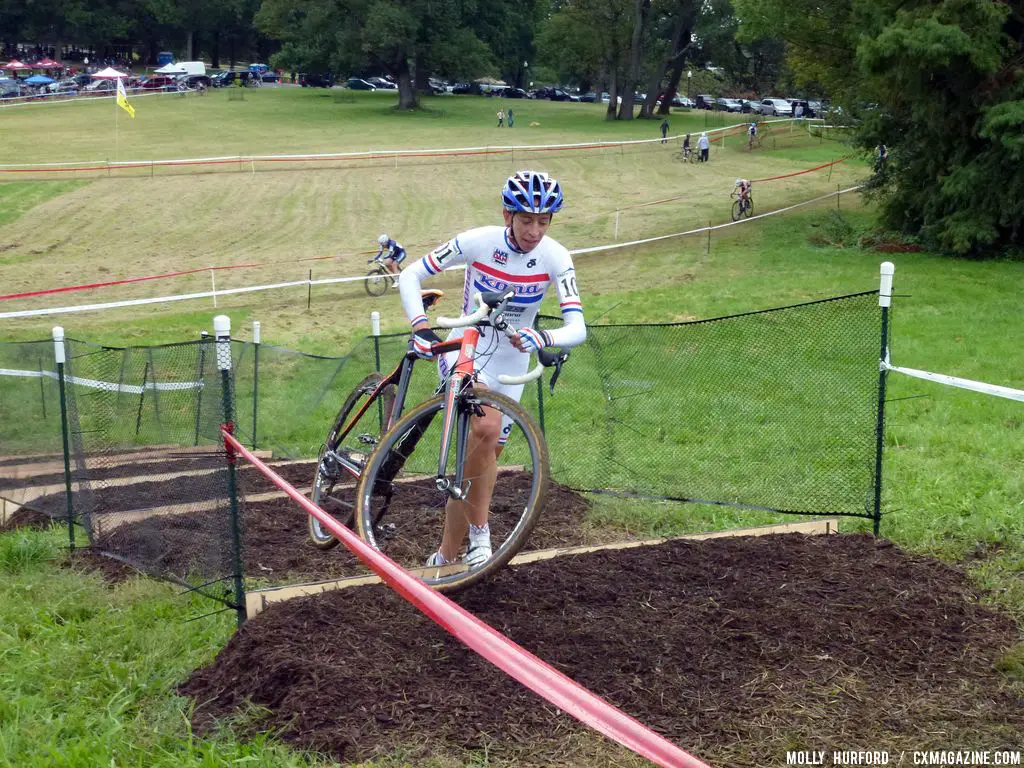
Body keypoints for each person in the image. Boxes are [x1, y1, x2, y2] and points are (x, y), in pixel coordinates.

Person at [397, 170, 587, 568]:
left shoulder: (556, 256)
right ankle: (482, 537)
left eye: (543, 221)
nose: (535, 231)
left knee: (477, 461)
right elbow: (410, 274)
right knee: (483, 428)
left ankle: (446, 556)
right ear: (507, 215)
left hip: (512, 362)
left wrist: (543, 338)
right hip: (468, 345)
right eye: (526, 220)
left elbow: (577, 327)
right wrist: (421, 327)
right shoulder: (478, 241)